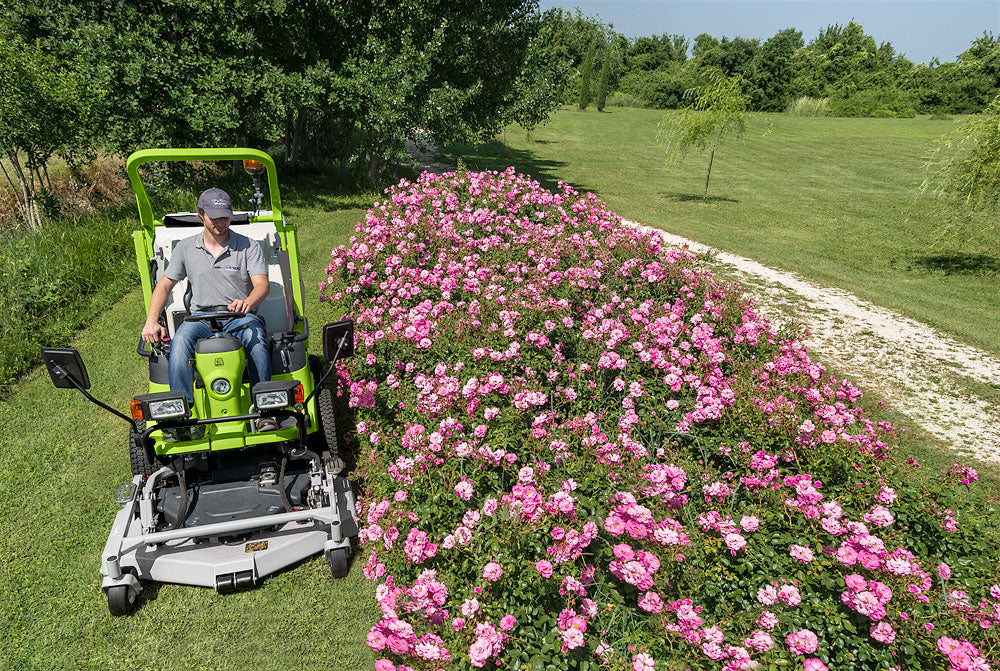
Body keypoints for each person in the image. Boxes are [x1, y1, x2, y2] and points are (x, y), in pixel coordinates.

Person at [140, 187, 275, 431]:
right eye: (215, 218)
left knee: (256, 338)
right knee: (179, 341)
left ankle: (265, 409)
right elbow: (165, 285)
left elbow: (262, 286)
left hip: (239, 316)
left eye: (225, 217)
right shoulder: (185, 248)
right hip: (201, 318)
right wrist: (152, 320)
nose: (221, 223)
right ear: (201, 214)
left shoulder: (248, 246)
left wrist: (248, 302)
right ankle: (181, 415)